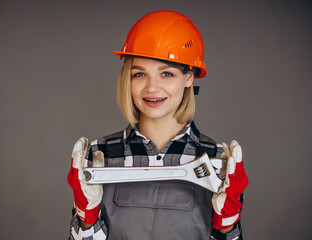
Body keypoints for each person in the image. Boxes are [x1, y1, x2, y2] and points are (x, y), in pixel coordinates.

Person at [67, 10, 248, 240]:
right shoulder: (98, 156)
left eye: (167, 74)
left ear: (189, 77)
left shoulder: (218, 163)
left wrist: (227, 224)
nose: (152, 88)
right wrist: (86, 217)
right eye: (140, 74)